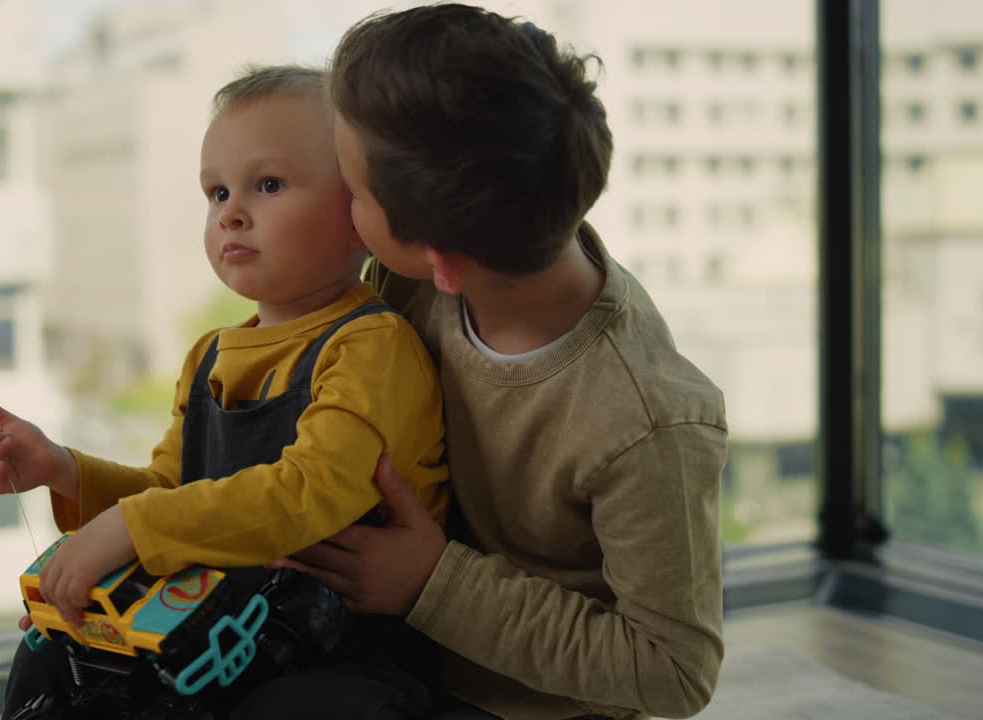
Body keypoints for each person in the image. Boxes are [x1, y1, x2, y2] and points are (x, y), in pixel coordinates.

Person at [270, 5, 728, 720]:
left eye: (352, 192)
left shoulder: (648, 422)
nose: (336, 200)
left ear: (442, 264)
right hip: (398, 652)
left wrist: (432, 582)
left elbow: (676, 672)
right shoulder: (465, 242)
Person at [0, 64, 448, 719]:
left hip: (348, 653)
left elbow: (308, 494)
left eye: (268, 185)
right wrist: (67, 470)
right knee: (49, 658)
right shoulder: (209, 356)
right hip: (220, 634)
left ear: (361, 216)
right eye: (216, 193)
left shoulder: (372, 345)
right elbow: (172, 494)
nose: (232, 214)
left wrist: (130, 528)